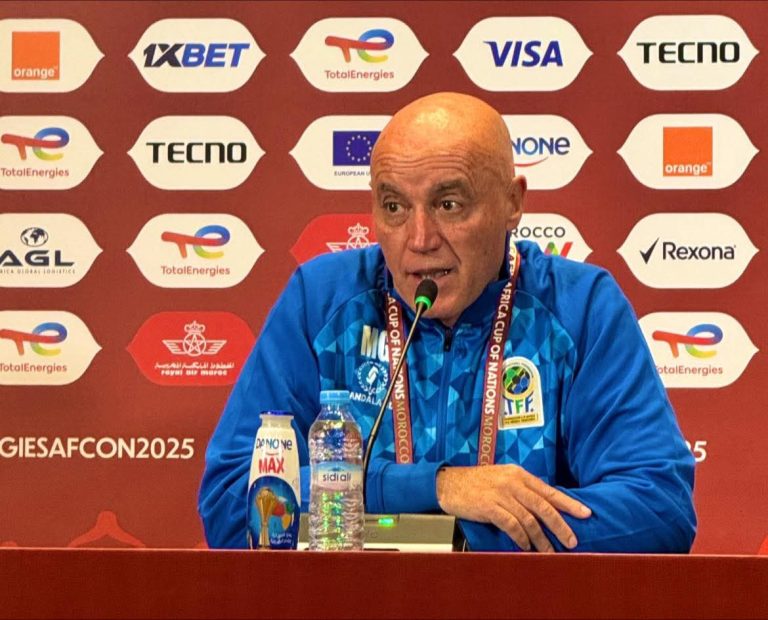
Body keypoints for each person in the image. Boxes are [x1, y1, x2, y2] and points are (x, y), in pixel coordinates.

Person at [199, 92, 696, 552]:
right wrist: (436, 488)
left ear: (512, 204)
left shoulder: (579, 307)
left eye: (448, 204)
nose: (420, 239)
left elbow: (658, 509)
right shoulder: (321, 301)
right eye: (394, 207)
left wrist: (450, 542)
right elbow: (233, 503)